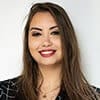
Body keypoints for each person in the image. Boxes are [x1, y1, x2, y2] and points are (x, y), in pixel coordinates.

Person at [0, 2, 100, 100]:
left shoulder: (94, 97)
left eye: (55, 32)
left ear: (67, 39)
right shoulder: (3, 92)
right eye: (37, 34)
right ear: (28, 41)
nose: (46, 42)